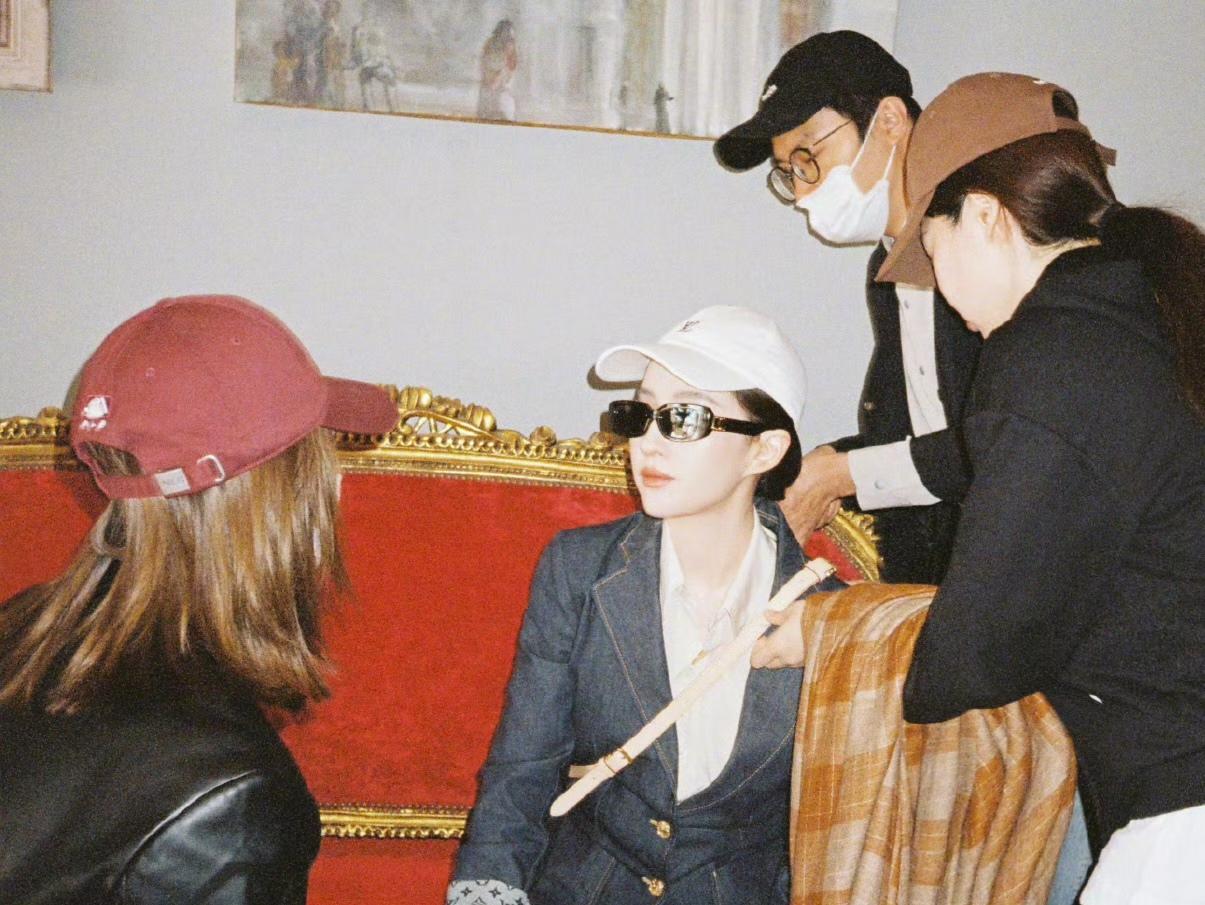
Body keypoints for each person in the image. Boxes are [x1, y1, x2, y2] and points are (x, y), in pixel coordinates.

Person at [764, 72, 1205, 903]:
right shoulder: (1144, 312)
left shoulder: (1048, 351)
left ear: (986, 217)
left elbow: (976, 653)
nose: (937, 285)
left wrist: (825, 627)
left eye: (931, 252)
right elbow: (990, 466)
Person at [0, 294, 398, 904]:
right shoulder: (230, 798)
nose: (337, 482)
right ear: (278, 497)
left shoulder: (21, 629)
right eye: (319, 461)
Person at [447, 306, 843, 905]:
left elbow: (830, 834)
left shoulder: (833, 617)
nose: (648, 443)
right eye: (639, 414)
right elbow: (522, 769)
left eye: (684, 417)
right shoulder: (580, 569)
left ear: (763, 450)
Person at [715, 31, 982, 585]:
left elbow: (1000, 444)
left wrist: (843, 473)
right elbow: (913, 436)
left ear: (890, 121)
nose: (802, 191)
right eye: (788, 171)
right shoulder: (886, 269)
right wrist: (822, 468)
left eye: (809, 157)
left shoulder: (986, 258)